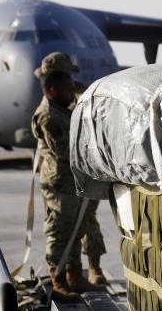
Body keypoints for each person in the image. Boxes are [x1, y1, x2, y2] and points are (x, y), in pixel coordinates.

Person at [32, 53, 107, 291]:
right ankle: (58, 280)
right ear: (53, 90)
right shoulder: (49, 117)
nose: (71, 93)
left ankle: (75, 277)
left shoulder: (60, 107)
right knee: (60, 232)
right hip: (59, 185)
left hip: (71, 182)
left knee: (77, 230)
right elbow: (66, 151)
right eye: (67, 90)